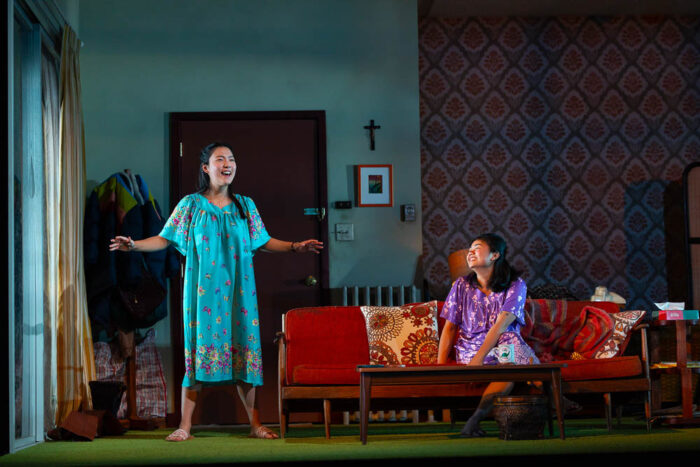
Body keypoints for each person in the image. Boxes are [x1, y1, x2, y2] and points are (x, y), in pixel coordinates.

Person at [110, 142, 323, 441]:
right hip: (202, 294)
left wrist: (294, 246)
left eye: (232, 159)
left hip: (240, 293)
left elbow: (263, 240)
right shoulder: (190, 205)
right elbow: (164, 238)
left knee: (245, 355)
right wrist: (133, 245)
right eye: (220, 159)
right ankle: (185, 426)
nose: (228, 164)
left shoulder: (245, 206)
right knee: (197, 356)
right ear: (205, 168)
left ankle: (256, 424)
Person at [437, 233, 538, 437]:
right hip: (471, 349)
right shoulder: (461, 285)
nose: (470, 252)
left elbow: (500, 326)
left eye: (477, 247)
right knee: (515, 363)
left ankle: (474, 420)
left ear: (494, 255)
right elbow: (449, 329)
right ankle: (552, 390)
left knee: (509, 349)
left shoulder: (516, 285)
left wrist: (480, 359)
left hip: (504, 349)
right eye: (469, 248)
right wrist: (439, 368)